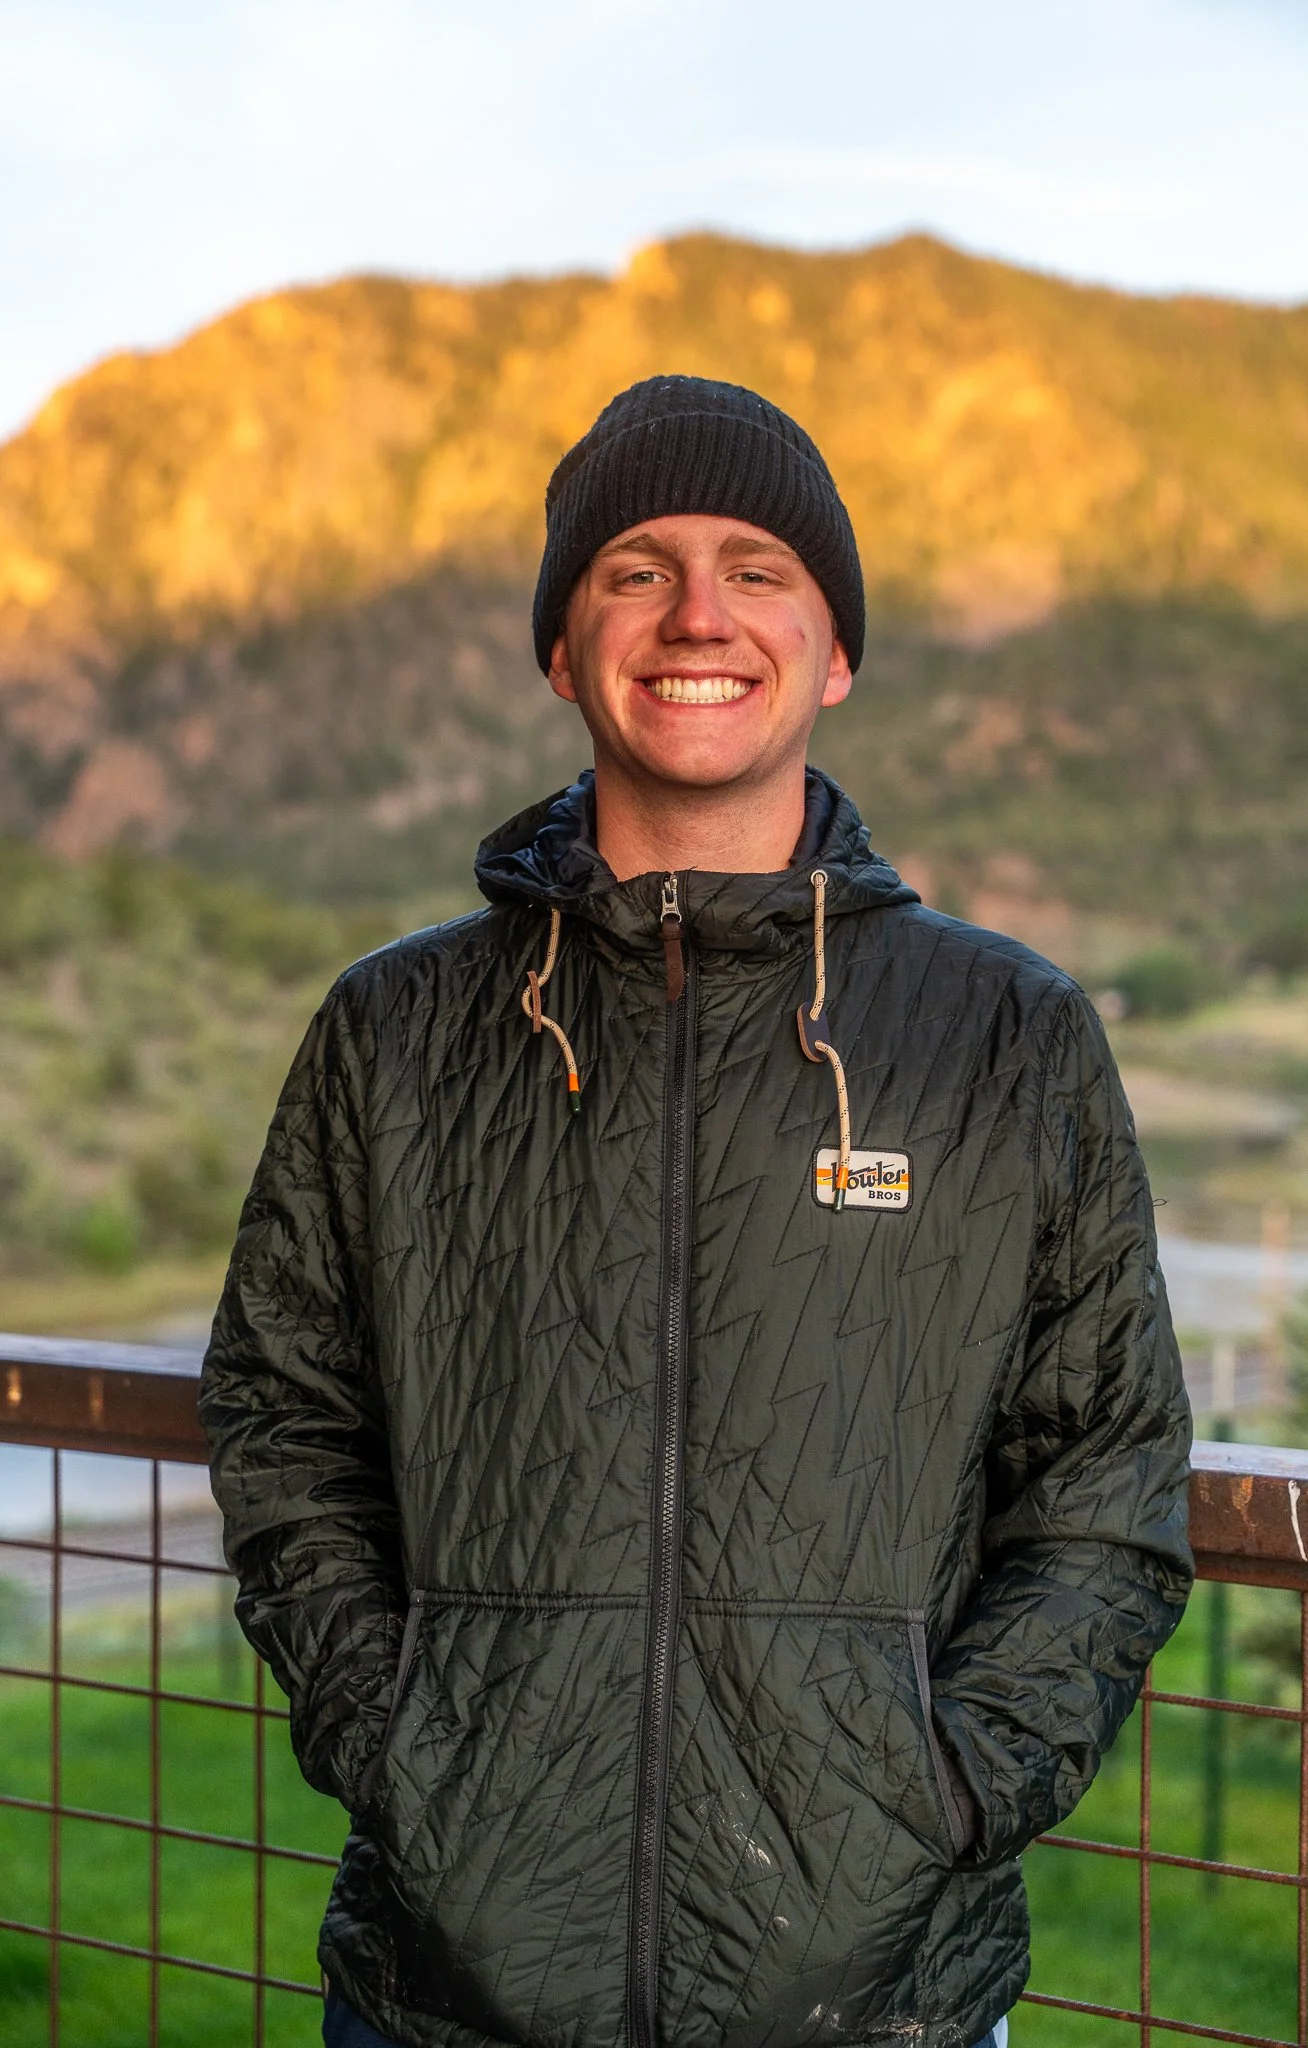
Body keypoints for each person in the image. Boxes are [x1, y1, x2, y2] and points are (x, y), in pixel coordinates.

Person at [200, 375, 1192, 2048]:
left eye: (761, 568)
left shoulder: (1007, 1035)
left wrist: (946, 1794)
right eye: (633, 569)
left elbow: (1107, 1469)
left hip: (880, 1999)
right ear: (561, 644)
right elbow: (283, 1412)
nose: (698, 614)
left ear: (839, 650)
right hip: (447, 1994)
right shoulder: (391, 1033)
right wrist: (399, 1743)